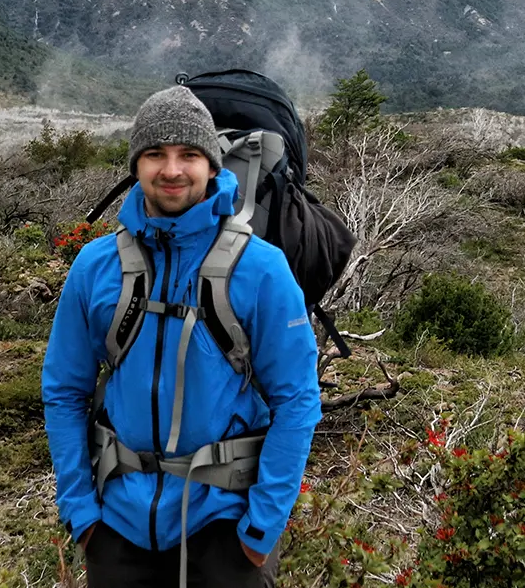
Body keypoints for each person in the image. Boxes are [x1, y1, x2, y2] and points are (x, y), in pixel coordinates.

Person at [42, 86, 323, 586]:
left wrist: (259, 531)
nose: (172, 169)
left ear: (213, 165)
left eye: (188, 154)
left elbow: (297, 402)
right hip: (117, 522)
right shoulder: (95, 266)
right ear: (137, 165)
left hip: (226, 522)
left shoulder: (261, 269)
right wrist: (81, 517)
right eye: (155, 154)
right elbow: (64, 391)